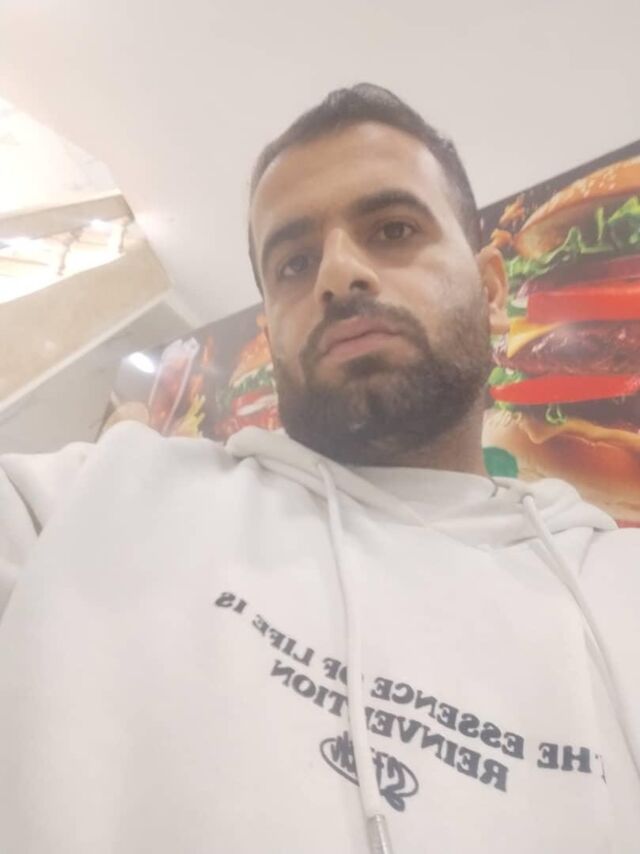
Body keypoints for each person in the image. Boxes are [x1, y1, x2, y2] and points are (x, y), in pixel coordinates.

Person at [0, 83, 638, 854]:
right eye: (294, 262)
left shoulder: (616, 593)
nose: (337, 273)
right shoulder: (103, 499)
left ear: (492, 291)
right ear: (272, 327)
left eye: (394, 229)